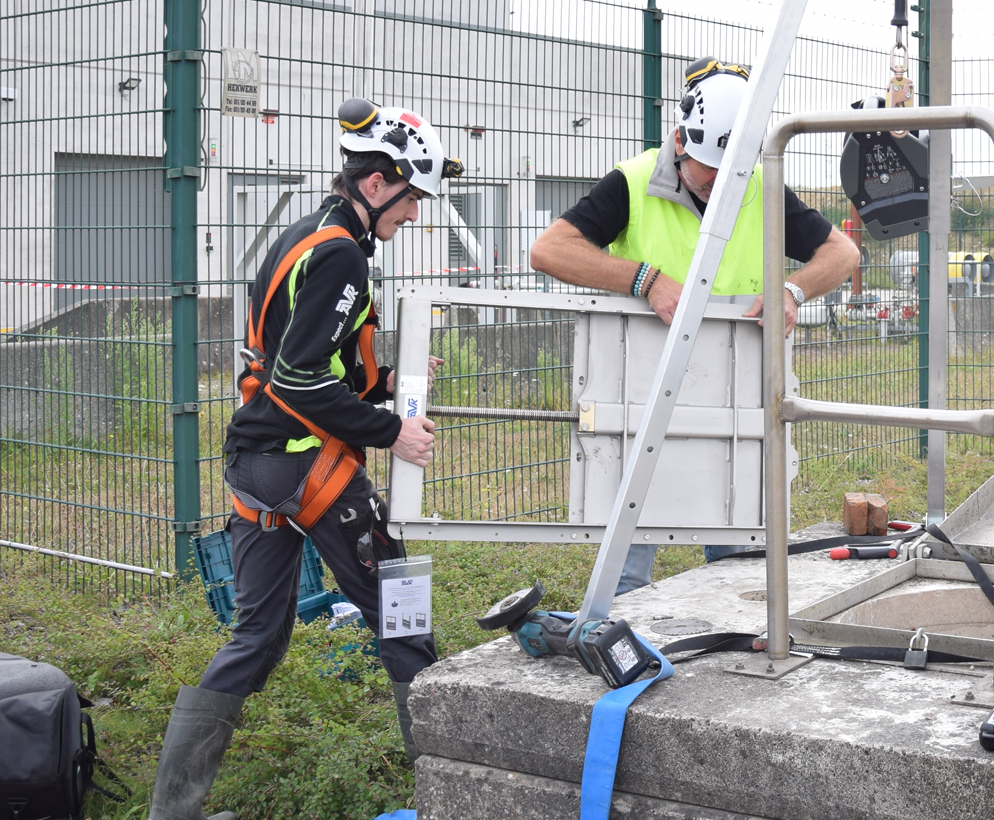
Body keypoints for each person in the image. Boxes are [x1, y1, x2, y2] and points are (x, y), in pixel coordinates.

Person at [147, 100, 459, 820]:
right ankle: (450, 793)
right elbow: (299, 379)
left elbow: (296, 351)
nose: (414, 215)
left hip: (255, 464)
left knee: (257, 634)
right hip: (306, 464)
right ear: (377, 184)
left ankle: (173, 812)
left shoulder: (306, 234)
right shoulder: (342, 252)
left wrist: (380, 378)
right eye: (412, 199)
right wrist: (389, 429)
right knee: (401, 615)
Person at [530, 57, 860, 594]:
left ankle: (729, 642)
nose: (717, 188)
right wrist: (645, 279)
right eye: (710, 173)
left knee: (738, 552)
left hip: (734, 389)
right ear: (681, 140)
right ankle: (619, 639)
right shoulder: (632, 183)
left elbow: (840, 253)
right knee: (630, 552)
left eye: (730, 174)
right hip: (640, 388)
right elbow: (549, 251)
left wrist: (792, 290)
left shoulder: (757, 184)